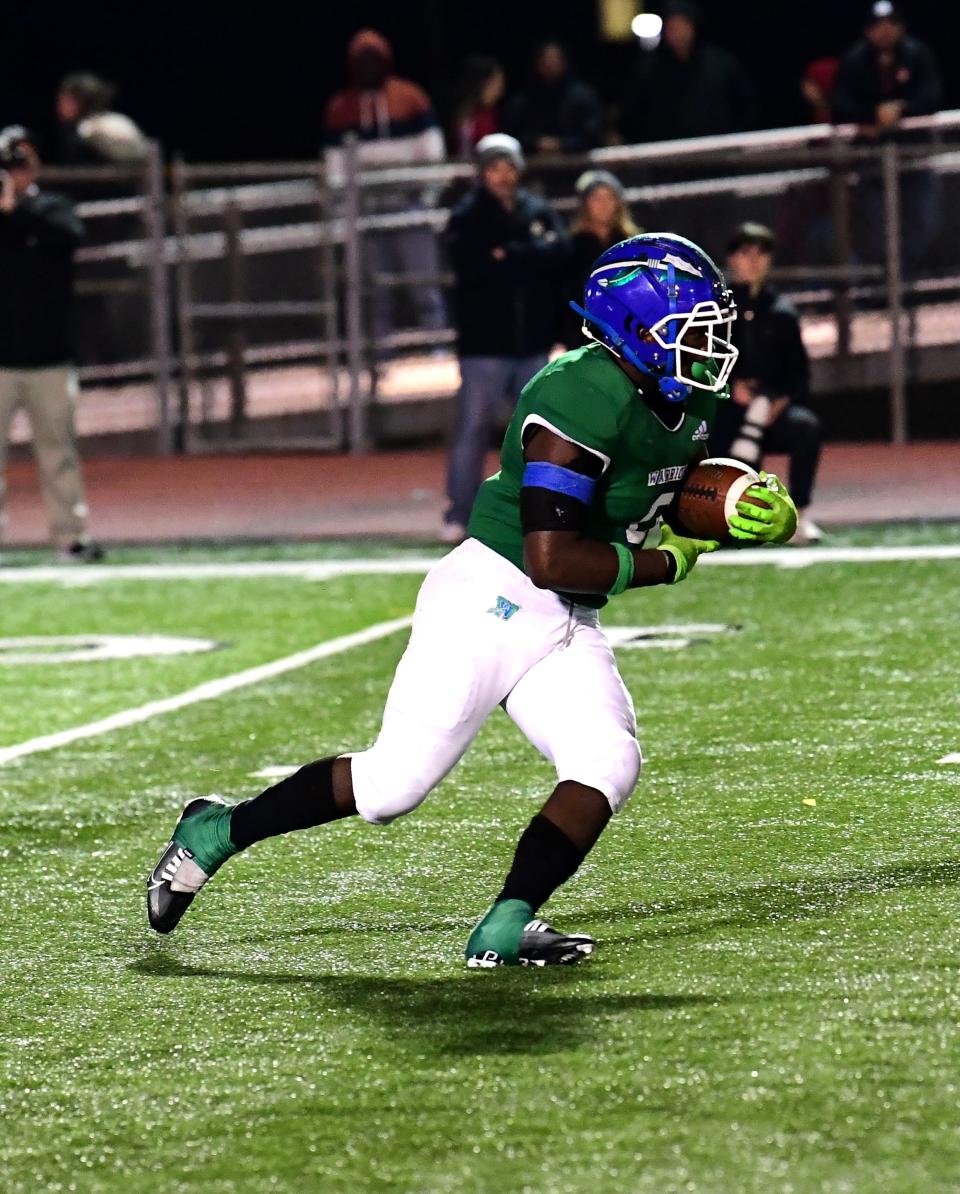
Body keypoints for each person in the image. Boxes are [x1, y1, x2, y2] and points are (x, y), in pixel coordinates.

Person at [147, 232, 798, 968]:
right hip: (495, 596)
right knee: (392, 787)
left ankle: (507, 921)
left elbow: (662, 486)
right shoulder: (579, 392)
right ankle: (216, 829)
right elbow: (552, 556)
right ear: (635, 330)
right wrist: (666, 562)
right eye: (691, 330)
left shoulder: (685, 393)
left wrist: (741, 500)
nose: (709, 347)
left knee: (608, 759)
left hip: (564, 613)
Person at [441, 133, 569, 542]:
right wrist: (526, 255)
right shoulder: (467, 216)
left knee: (541, 435)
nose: (503, 175)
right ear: (482, 172)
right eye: (494, 168)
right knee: (471, 432)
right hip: (485, 347)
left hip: (531, 344)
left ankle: (543, 513)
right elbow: (472, 265)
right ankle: (458, 514)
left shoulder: (537, 210)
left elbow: (559, 254)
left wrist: (510, 255)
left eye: (509, 167)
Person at [0, 127, 103, 562]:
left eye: (20, 164)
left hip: (49, 356)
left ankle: (70, 536)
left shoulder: (53, 208)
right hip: (0, 359)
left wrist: (15, 210)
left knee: (58, 452)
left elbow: (69, 236)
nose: (16, 174)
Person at [323, 29, 447, 347]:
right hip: (365, 210)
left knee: (424, 282)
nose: (368, 66)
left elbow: (432, 152)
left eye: (373, 59)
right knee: (372, 290)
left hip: (410, 204)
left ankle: (437, 345)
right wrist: (343, 212)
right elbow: (334, 167)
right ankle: (381, 355)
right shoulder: (340, 108)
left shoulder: (410, 97)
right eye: (361, 60)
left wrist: (428, 197)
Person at [709, 223, 823, 545]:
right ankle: (717, 514)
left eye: (761, 253)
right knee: (705, 430)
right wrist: (731, 389)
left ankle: (800, 514)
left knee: (806, 428)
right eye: (746, 253)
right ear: (732, 259)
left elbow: (799, 375)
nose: (754, 261)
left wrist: (779, 402)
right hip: (727, 409)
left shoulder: (782, 313)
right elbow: (700, 366)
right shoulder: (714, 311)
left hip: (770, 411)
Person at [831, 1, 942, 269]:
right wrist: (873, 114)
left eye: (891, 24)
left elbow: (932, 96)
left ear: (900, 27)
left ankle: (908, 279)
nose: (885, 31)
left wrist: (902, 110)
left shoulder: (917, 54)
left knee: (922, 222)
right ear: (868, 30)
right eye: (878, 26)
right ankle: (885, 285)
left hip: (913, 157)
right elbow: (840, 106)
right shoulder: (855, 61)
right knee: (877, 228)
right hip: (872, 161)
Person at [621, 0, 754, 144]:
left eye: (682, 25)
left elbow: (745, 106)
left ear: (692, 26)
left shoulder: (720, 63)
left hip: (718, 149)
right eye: (672, 27)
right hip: (666, 153)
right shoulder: (649, 70)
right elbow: (634, 115)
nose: (678, 32)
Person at [558, 170, 640, 350]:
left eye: (609, 197)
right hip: (583, 339)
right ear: (585, 204)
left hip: (629, 338)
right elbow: (562, 297)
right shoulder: (570, 246)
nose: (603, 205)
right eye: (596, 198)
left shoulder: (632, 244)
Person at [502, 41, 603, 155]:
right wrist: (536, 143)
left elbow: (592, 136)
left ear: (564, 63)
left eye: (553, 60)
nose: (549, 66)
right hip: (531, 163)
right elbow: (511, 136)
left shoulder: (583, 97)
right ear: (537, 64)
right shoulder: (521, 101)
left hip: (575, 162)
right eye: (544, 61)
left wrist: (562, 144)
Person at [54, 73, 148, 165]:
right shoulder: (81, 129)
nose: (59, 106)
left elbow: (139, 155)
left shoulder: (96, 127)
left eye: (65, 100)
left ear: (81, 101)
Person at [449, 56, 505, 158]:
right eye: (496, 83)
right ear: (481, 84)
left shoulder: (493, 113)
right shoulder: (465, 117)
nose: (500, 90)